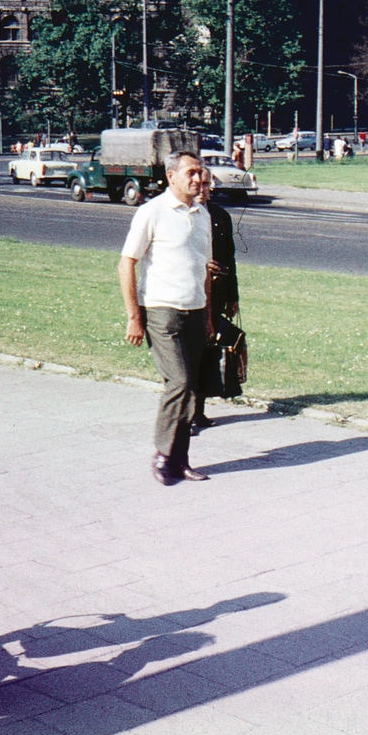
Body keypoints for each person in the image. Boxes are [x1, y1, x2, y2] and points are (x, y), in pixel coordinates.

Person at [118, 151, 212, 486]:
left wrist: (208, 316)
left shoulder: (202, 214)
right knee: (180, 382)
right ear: (171, 176)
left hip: (196, 310)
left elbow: (204, 271)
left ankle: (180, 460)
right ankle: (161, 453)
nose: (198, 178)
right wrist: (134, 317)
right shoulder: (152, 211)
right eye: (190, 172)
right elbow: (126, 263)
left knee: (192, 388)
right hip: (162, 310)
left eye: (200, 172)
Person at [193, 167, 239, 432]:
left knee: (210, 351)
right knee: (192, 354)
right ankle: (186, 413)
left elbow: (230, 259)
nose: (202, 190)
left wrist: (233, 297)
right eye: (198, 184)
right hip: (191, 296)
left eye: (206, 184)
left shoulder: (220, 217)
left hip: (216, 296)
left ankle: (199, 411)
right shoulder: (183, 216)